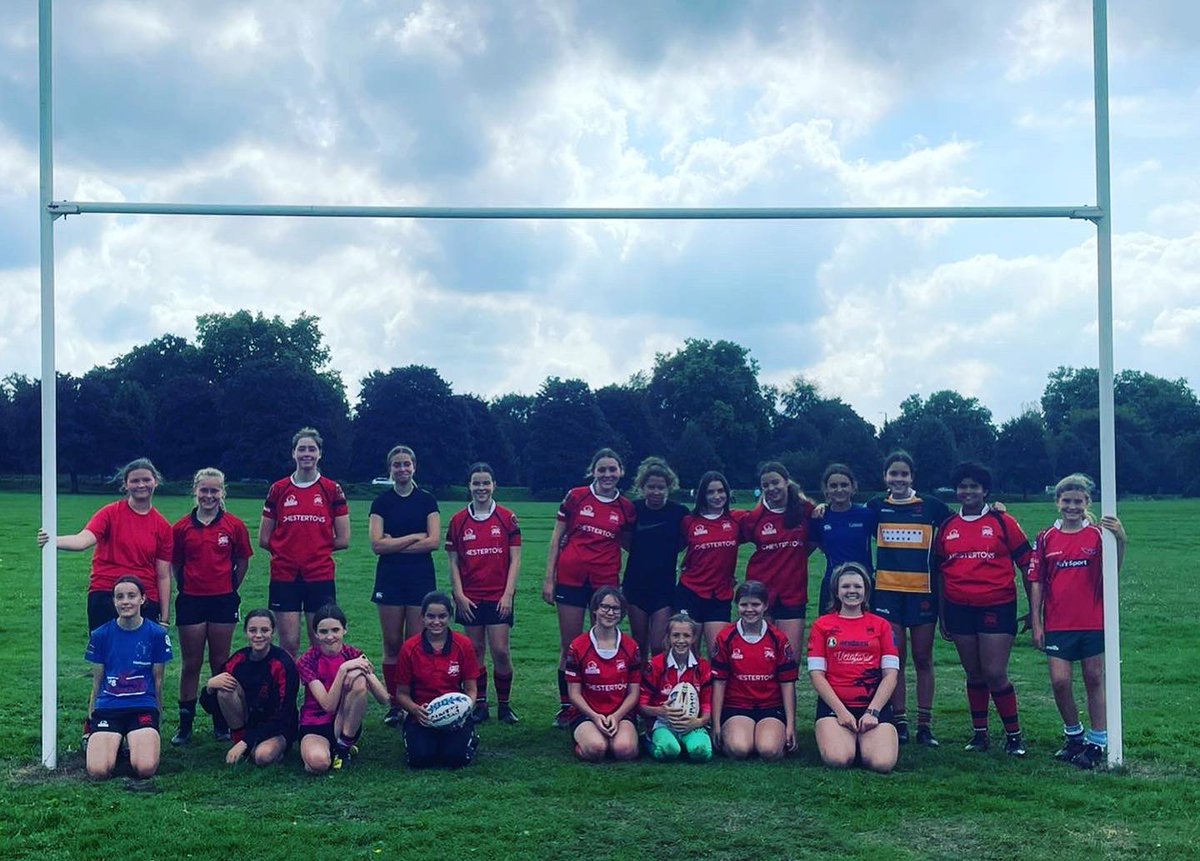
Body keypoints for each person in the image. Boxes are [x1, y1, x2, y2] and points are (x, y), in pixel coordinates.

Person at [1029, 473, 1127, 769]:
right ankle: (1074, 736)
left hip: (1092, 620)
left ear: (1087, 503)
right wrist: (1036, 621)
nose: (1072, 506)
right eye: (1066, 501)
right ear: (1057, 502)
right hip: (1058, 623)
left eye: (1078, 501)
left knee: (1095, 678)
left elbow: (1113, 571)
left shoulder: (1097, 535)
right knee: (1060, 682)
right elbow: (1037, 582)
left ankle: (1098, 742)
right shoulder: (1046, 537)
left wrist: (1121, 539)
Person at [936, 461, 1033, 756]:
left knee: (994, 671)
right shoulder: (948, 527)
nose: (968, 491)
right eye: (962, 487)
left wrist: (1034, 609)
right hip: (958, 608)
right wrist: (943, 615)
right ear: (956, 491)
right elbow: (940, 573)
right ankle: (980, 734)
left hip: (997, 606)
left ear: (985, 490)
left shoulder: (1004, 522)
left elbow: (1028, 565)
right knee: (974, 673)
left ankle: (1014, 735)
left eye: (974, 486)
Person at [543, 448, 637, 728]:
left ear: (621, 471)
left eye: (613, 469)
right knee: (570, 646)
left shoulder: (626, 508)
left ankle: (600, 704)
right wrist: (549, 578)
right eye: (602, 469)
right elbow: (557, 536)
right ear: (593, 471)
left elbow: (631, 545)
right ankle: (567, 708)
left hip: (605, 583)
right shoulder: (576, 496)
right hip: (571, 578)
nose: (607, 474)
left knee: (603, 644)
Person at [866, 450, 951, 747]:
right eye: (893, 474)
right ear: (885, 477)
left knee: (923, 658)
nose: (898, 479)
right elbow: (845, 516)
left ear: (912, 477)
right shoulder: (876, 506)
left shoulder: (930, 505)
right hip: (888, 593)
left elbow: (965, 520)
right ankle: (899, 721)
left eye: (904, 474)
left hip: (923, 593)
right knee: (895, 660)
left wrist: (996, 510)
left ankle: (925, 725)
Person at [169, 467, 254, 746]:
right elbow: (176, 564)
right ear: (195, 491)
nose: (209, 495)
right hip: (191, 600)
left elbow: (242, 560)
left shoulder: (234, 525)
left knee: (220, 663)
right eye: (204, 490)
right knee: (191, 663)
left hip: (223, 600)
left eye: (214, 490)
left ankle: (221, 721)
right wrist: (189, 586)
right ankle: (185, 725)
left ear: (222, 492)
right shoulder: (181, 527)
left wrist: (229, 587)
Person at [39, 457, 173, 631]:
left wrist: (164, 618)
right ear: (126, 484)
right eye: (135, 481)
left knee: (142, 657)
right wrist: (52, 541)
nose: (141, 485)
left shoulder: (163, 526)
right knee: (107, 656)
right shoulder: (110, 513)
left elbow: (163, 575)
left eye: (146, 480)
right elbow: (83, 540)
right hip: (106, 594)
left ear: (155, 482)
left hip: (145, 599)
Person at [260, 427, 351, 657]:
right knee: (289, 644)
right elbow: (264, 538)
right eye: (302, 449)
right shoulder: (278, 489)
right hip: (284, 575)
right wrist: (288, 551)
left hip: (319, 574)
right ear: (293, 453)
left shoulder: (332, 489)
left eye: (312, 449)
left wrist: (313, 550)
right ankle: (288, 691)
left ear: (320, 453)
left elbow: (343, 539)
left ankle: (319, 693)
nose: (306, 454)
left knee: (320, 641)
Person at [369, 445, 441, 727]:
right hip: (390, 579)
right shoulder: (381, 503)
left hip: (420, 578)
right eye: (397, 464)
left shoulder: (427, 500)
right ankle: (395, 705)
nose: (402, 469)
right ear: (390, 468)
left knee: (414, 644)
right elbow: (377, 545)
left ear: (414, 467)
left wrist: (393, 543)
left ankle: (416, 701)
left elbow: (433, 541)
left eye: (406, 464)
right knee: (392, 644)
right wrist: (414, 537)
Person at [446, 462, 521, 725]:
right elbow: (453, 562)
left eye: (485, 483)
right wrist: (459, 594)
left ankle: (504, 704)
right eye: (476, 483)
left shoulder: (506, 517)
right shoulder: (458, 521)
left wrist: (508, 594)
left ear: (494, 485)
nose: (481, 488)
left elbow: (515, 559)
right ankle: (480, 705)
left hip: (499, 595)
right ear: (469, 486)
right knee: (475, 650)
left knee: (500, 650)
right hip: (471, 597)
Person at [808, 562, 900, 773]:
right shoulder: (822, 625)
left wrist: (872, 712)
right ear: (836, 592)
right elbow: (817, 675)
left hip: (872, 707)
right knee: (838, 759)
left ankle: (865, 740)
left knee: (881, 764)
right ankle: (847, 739)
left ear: (866, 591)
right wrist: (842, 712)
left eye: (857, 587)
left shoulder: (881, 625)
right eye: (846, 586)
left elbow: (891, 675)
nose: (852, 591)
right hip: (835, 708)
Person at [83, 576, 174, 782]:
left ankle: (134, 745)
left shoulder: (157, 634)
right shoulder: (100, 635)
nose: (126, 602)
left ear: (143, 599)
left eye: (131, 596)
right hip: (109, 708)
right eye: (120, 597)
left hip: (142, 707)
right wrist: (91, 721)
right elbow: (97, 682)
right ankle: (114, 748)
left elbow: (157, 681)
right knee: (98, 771)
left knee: (145, 768)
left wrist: (157, 720)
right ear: (114, 602)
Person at [296, 604, 389, 773]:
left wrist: (364, 672)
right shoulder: (307, 660)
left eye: (335, 630)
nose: (330, 636)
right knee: (318, 764)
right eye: (323, 632)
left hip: (345, 720)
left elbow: (384, 699)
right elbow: (328, 706)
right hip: (315, 723)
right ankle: (330, 750)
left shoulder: (354, 654)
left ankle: (343, 745)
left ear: (344, 630)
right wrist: (344, 669)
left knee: (359, 680)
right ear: (316, 633)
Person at [710, 580, 797, 761]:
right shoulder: (726, 637)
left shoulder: (778, 638)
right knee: (739, 749)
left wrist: (790, 725)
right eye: (744, 605)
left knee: (769, 750)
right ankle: (738, 734)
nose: (750, 610)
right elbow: (719, 683)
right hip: (737, 706)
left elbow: (787, 684)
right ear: (737, 606)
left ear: (765, 606)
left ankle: (770, 735)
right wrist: (716, 724)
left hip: (770, 707)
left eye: (756, 604)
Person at [394, 591, 481, 769]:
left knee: (455, 759)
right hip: (422, 716)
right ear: (422, 618)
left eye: (442, 616)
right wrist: (415, 710)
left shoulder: (463, 644)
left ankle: (468, 736)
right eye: (430, 616)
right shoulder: (409, 648)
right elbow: (401, 694)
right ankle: (415, 737)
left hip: (455, 716)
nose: (436, 622)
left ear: (450, 616)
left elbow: (471, 689)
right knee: (420, 760)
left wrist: (463, 712)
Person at [204, 608, 299, 766]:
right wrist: (209, 687)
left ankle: (256, 746)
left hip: (278, 726)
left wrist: (247, 742)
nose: (258, 635)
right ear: (246, 632)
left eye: (264, 630)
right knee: (224, 687)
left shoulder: (283, 664)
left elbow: (284, 715)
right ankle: (239, 738)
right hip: (249, 720)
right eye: (253, 630)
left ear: (273, 632)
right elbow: (210, 707)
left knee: (262, 756)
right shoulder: (238, 659)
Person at [741, 461, 815, 658]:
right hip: (761, 591)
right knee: (761, 656)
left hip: (793, 592)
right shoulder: (755, 517)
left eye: (775, 483)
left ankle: (788, 691)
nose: (771, 488)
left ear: (787, 482)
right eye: (765, 485)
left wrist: (798, 554)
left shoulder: (804, 510)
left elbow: (816, 538)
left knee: (790, 658)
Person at [564, 587, 642, 762]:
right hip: (587, 714)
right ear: (595, 610)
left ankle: (626, 739)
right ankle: (586, 742)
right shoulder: (578, 646)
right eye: (605, 607)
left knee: (624, 750)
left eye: (615, 609)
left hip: (620, 714)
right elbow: (574, 694)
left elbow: (634, 692)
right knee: (596, 749)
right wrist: (595, 716)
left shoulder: (631, 647)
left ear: (622, 613)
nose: (610, 612)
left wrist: (616, 716)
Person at [622, 457, 688, 658]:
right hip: (636, 585)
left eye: (661, 487)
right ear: (642, 487)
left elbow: (686, 541)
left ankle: (659, 684)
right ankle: (640, 686)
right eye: (651, 487)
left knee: (659, 644)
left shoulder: (679, 512)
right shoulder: (634, 509)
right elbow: (624, 540)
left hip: (664, 587)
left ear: (669, 487)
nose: (656, 492)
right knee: (639, 643)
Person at [677, 470, 748, 654]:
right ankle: (688, 684)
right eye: (711, 492)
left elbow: (767, 515)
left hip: (720, 595)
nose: (717, 496)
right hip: (690, 592)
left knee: (718, 653)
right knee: (688, 654)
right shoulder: (688, 521)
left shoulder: (736, 519)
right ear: (702, 495)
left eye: (721, 491)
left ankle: (715, 684)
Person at [638, 613, 713, 762]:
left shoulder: (703, 667)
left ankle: (687, 743)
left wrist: (698, 722)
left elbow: (707, 704)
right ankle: (647, 740)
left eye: (686, 635)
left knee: (701, 752)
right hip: (662, 723)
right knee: (669, 751)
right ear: (668, 637)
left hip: (691, 723)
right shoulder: (655, 665)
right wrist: (660, 711)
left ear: (694, 638)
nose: (681, 640)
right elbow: (641, 705)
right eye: (676, 635)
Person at [811, 463, 877, 613]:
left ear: (853, 487)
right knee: (831, 632)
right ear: (826, 490)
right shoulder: (819, 517)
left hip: (862, 584)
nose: (839, 490)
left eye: (844, 485)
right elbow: (817, 546)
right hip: (832, 583)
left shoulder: (867, 515)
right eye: (833, 485)